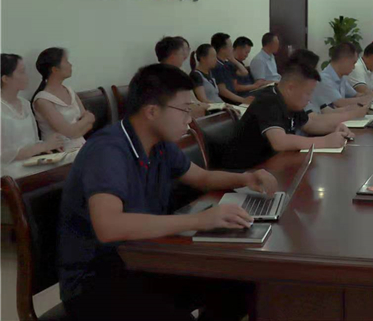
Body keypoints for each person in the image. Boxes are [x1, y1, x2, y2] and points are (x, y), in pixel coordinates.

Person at [58, 64, 277, 320]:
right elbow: (109, 226)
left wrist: (246, 178)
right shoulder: (108, 150)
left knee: (239, 286)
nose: (190, 118)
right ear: (152, 111)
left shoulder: (160, 144)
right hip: (95, 281)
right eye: (184, 109)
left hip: (143, 259)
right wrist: (199, 220)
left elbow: (202, 178)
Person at [215, 62, 356, 170]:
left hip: (269, 167)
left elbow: (310, 124)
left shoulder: (291, 102)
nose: (310, 99)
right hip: (243, 173)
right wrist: (324, 142)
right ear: (290, 88)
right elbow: (279, 142)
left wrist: (336, 128)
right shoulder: (268, 100)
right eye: (308, 93)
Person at [1, 54, 67, 169]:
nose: (26, 76)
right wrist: (43, 146)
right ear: (5, 79)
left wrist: (51, 144)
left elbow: (34, 141)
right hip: (9, 170)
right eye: (21, 72)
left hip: (32, 162)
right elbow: (3, 155)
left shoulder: (25, 104)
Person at [31, 48, 94, 150]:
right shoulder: (43, 100)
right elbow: (69, 131)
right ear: (55, 69)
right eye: (66, 61)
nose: (70, 65)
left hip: (82, 146)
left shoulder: (70, 91)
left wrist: (82, 125)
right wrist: (88, 118)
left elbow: (89, 125)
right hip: (60, 152)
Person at [311, 42, 373, 112]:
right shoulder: (324, 79)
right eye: (353, 63)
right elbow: (340, 103)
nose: (354, 67)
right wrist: (368, 98)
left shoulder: (341, 78)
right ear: (344, 60)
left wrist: (370, 95)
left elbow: (356, 95)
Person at [210, 33, 253, 105]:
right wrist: (243, 100)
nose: (232, 49)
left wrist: (233, 59)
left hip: (237, 97)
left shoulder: (227, 64)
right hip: (230, 102)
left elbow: (244, 72)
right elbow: (222, 91)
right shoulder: (217, 66)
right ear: (222, 49)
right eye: (230, 46)